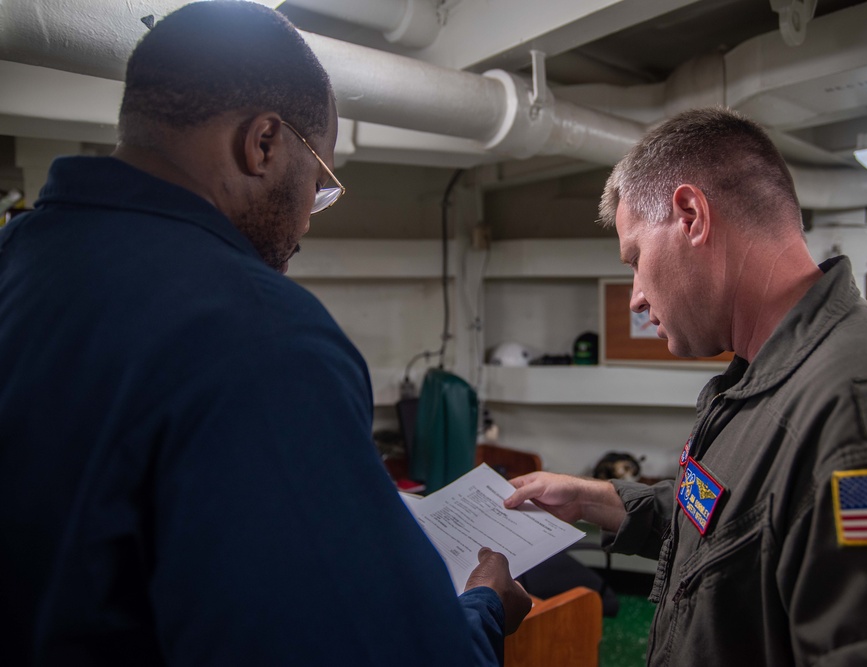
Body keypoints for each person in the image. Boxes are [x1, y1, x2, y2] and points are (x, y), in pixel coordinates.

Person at [0, 2, 530, 665]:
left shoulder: (17, 259)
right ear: (264, 143)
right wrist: (482, 609)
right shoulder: (263, 335)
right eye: (319, 184)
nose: (308, 222)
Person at [505, 107, 867, 666]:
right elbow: (741, 523)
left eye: (636, 259)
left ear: (691, 216)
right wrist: (599, 499)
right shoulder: (764, 377)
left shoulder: (865, 416)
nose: (636, 297)